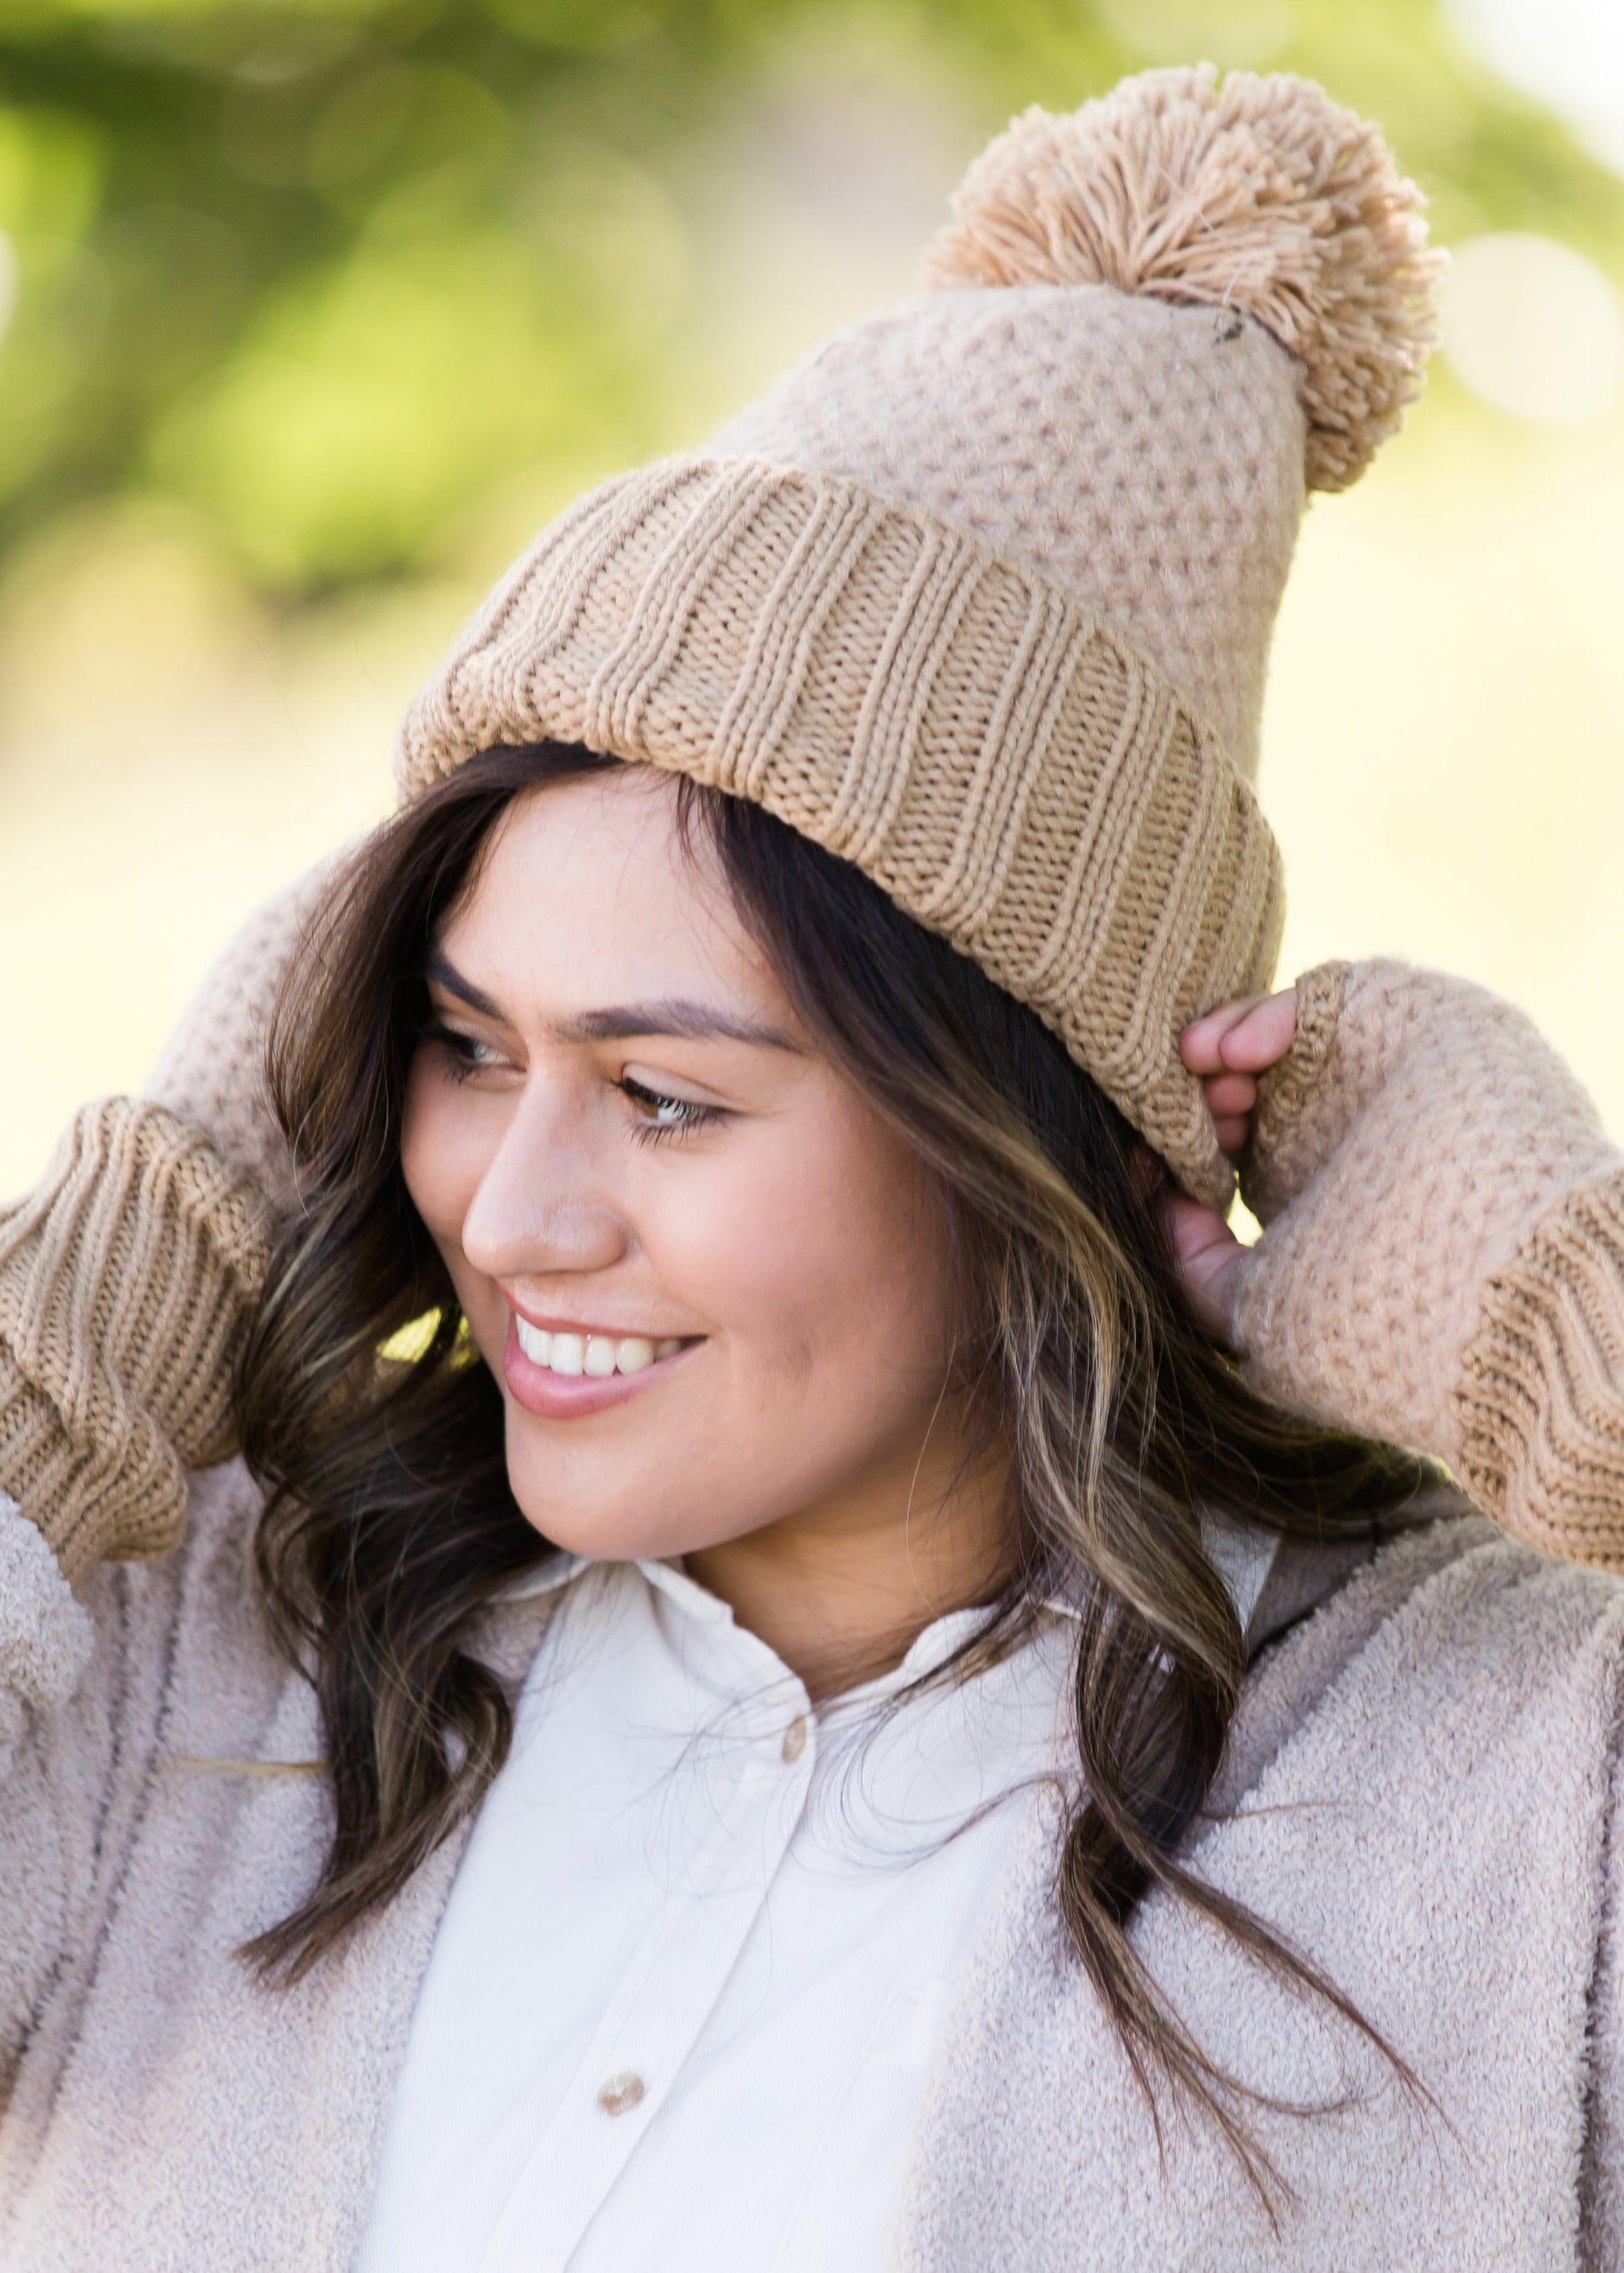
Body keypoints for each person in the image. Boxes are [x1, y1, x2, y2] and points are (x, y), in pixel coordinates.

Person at [0, 62, 1621, 2273]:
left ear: (1018, 1120)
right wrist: (133, 1264)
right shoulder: (196, 1646)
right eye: (466, 1045)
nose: (511, 1207)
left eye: (667, 1093)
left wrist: (1571, 1346)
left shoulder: (1513, 1758)